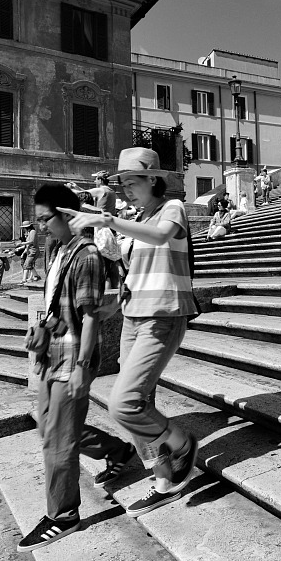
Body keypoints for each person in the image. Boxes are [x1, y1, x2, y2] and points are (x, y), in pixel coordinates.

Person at [62, 147, 199, 517]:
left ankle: (182, 444)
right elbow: (117, 256)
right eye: (120, 183)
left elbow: (159, 237)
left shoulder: (172, 209)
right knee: (140, 403)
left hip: (163, 314)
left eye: (131, 182)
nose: (125, 189)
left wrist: (108, 220)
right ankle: (164, 479)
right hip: (133, 315)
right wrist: (93, 218)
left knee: (124, 402)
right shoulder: (136, 217)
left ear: (153, 179)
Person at [16, 184, 133, 552]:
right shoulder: (59, 251)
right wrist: (43, 332)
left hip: (73, 359)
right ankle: (119, 451)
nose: (39, 228)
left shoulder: (87, 256)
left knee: (57, 440)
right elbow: (59, 308)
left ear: (67, 215)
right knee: (48, 426)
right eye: (36, 221)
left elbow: (90, 317)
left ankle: (63, 515)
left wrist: (84, 365)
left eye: (44, 219)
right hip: (54, 353)